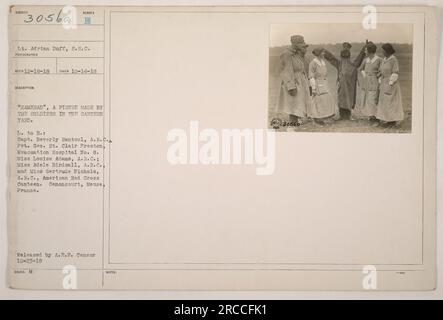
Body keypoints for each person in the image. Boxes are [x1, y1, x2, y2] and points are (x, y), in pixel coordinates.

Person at [323, 42, 367, 119]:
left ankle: (345, 115)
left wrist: (325, 52)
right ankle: (345, 115)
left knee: (343, 99)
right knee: (346, 99)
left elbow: (331, 58)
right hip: (346, 88)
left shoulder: (341, 64)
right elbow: (359, 58)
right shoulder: (351, 65)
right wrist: (363, 49)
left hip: (345, 88)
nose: (344, 59)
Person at [276, 35, 311, 128]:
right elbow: (286, 71)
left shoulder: (297, 54)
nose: (303, 44)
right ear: (294, 44)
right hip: (293, 81)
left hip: (301, 81)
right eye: (301, 43)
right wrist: (291, 86)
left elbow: (302, 67)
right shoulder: (287, 54)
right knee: (294, 104)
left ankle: (296, 122)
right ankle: (292, 125)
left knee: (299, 103)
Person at [375, 43, 404, 127]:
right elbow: (381, 70)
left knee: (390, 102)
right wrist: (380, 77)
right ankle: (386, 120)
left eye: (383, 50)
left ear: (387, 51)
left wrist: (390, 82)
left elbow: (395, 72)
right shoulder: (384, 60)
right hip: (384, 83)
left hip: (391, 84)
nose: (382, 52)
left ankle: (391, 121)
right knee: (384, 102)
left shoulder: (393, 59)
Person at [353, 42, 382, 123]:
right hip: (366, 82)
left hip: (374, 81)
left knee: (373, 98)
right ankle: (371, 116)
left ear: (370, 51)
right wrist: (365, 75)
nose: (365, 51)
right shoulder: (366, 60)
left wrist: (377, 77)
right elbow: (360, 69)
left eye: (366, 50)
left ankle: (376, 117)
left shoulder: (379, 60)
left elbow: (382, 70)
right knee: (367, 99)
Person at [308, 47, 336, 125]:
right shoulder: (313, 63)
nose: (324, 54)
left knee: (327, 99)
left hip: (324, 83)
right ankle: (316, 119)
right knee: (317, 101)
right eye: (323, 52)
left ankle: (324, 116)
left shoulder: (323, 62)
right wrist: (313, 88)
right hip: (317, 84)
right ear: (319, 53)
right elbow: (311, 76)